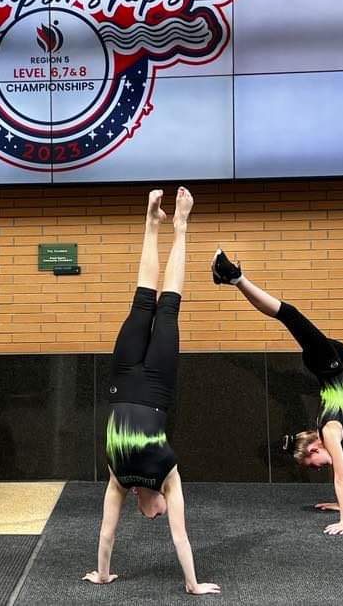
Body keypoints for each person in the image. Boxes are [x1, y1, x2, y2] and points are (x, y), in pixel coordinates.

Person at [211, 249, 343, 535]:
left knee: (290, 315)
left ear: (314, 449)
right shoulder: (326, 431)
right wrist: (340, 506)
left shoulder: (330, 432)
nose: (316, 469)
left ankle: (234, 277)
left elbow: (341, 476)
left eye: (311, 465)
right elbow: (339, 477)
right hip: (331, 362)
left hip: (326, 364)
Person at [83, 187, 220, 596]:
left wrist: (105, 574)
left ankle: (165, 224)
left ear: (149, 509)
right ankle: (170, 224)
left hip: (138, 382)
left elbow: (113, 534)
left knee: (152, 302)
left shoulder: (145, 478)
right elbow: (115, 533)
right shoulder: (125, 478)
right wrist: (191, 584)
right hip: (136, 383)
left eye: (154, 514)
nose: (159, 515)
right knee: (157, 303)